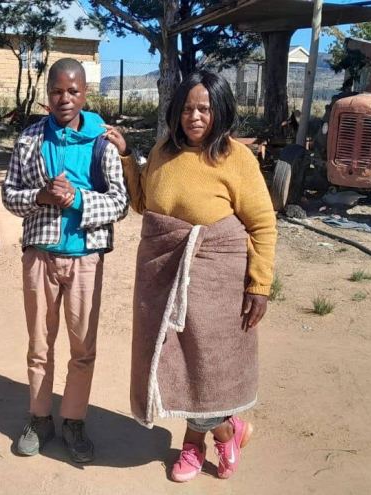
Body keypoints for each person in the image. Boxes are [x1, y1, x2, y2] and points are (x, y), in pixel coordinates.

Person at [111, 70, 276, 483]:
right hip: (164, 273)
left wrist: (259, 285)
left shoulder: (237, 158)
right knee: (176, 360)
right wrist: (128, 156)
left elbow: (262, 224)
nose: (195, 117)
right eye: (187, 109)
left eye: (204, 108)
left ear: (220, 111)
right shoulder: (164, 150)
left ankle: (201, 441)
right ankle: (227, 427)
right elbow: (144, 203)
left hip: (217, 279)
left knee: (207, 365)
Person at [1, 58, 129, 463]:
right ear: (48, 95)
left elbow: (120, 202)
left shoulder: (101, 141)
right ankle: (40, 418)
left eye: (73, 91)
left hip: (86, 258)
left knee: (82, 347)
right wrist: (40, 196)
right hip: (40, 256)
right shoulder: (30, 139)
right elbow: (9, 194)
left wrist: (77, 199)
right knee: (39, 345)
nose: (65, 99)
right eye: (57, 91)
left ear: (85, 93)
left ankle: (74, 420)